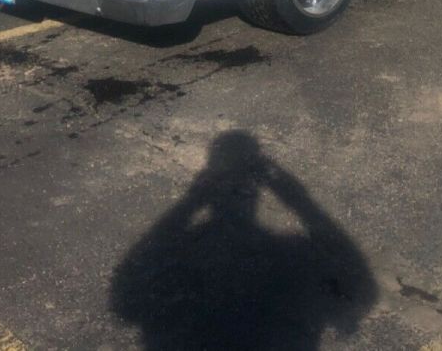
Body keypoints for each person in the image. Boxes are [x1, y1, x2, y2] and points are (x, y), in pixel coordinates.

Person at [111, 131, 376, 350]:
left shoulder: (190, 247)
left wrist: (192, 201)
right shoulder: (294, 255)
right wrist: (298, 200)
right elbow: (361, 289)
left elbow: (125, 298)